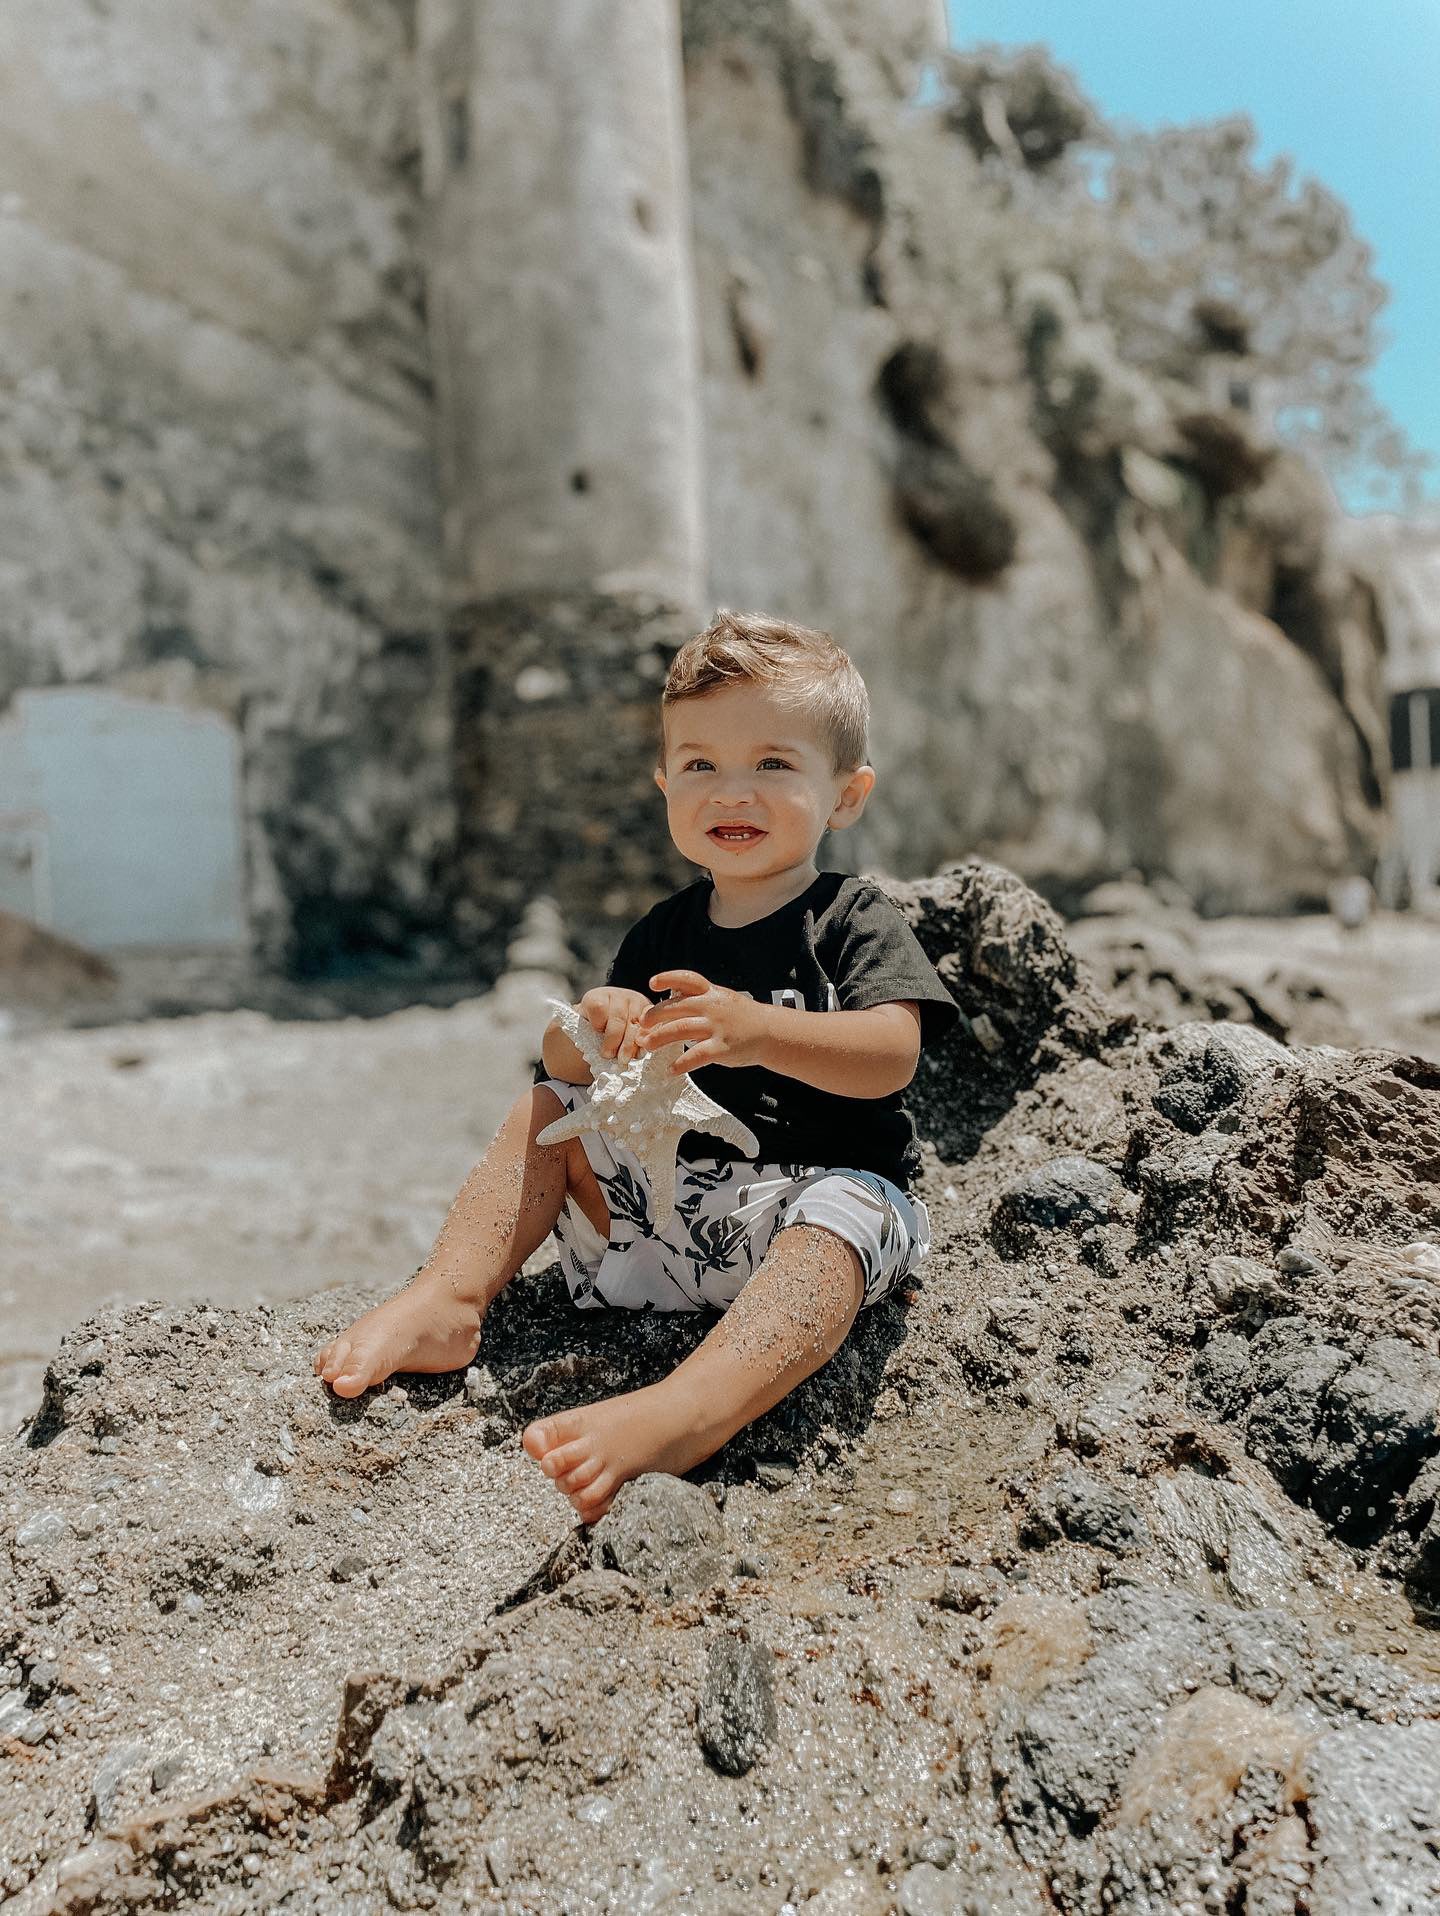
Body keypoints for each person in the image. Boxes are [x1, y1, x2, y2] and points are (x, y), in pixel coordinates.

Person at [313, 611, 957, 1521]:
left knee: (843, 1220)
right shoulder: (663, 931)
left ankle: (687, 1412)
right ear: (665, 785)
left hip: (808, 1207)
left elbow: (894, 1055)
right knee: (547, 1109)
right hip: (667, 1212)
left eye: (773, 764)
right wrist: (593, 1023)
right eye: (701, 765)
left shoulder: (851, 918)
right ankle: (450, 1296)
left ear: (846, 795)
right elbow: (574, 1069)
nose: (733, 792)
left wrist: (761, 1032)